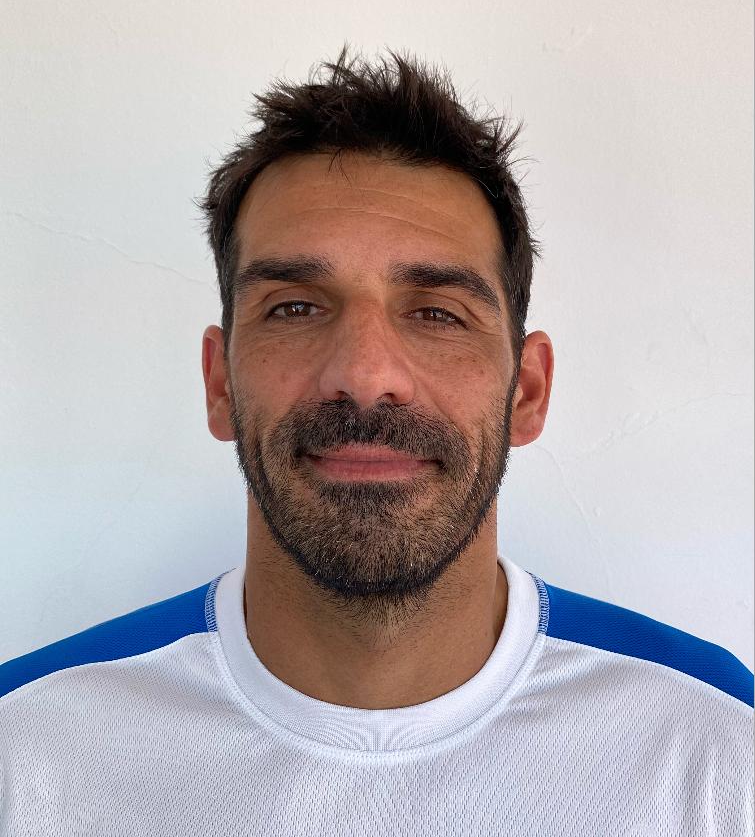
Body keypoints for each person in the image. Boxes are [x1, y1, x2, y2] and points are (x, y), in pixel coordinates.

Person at [1, 48, 752, 835]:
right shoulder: (27, 746)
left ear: (526, 392)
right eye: (295, 307)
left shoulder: (718, 747)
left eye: (435, 313)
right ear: (219, 382)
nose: (363, 376)